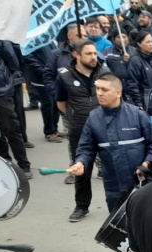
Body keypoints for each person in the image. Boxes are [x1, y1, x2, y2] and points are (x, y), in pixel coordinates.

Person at [67, 73, 152, 252]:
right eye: (97, 89)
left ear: (118, 92)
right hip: (113, 182)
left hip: (142, 181)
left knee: (148, 223)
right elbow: (85, 148)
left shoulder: (137, 115)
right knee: (122, 223)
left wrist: (146, 164)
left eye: (104, 90)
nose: (99, 93)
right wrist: (80, 162)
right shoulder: (94, 118)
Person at [56, 39, 109, 221]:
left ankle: (120, 206)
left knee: (112, 169)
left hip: (106, 129)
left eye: (95, 53)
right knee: (81, 170)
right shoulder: (64, 76)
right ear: (76, 55)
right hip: (80, 130)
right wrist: (75, 118)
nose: (94, 57)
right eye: (89, 54)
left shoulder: (105, 72)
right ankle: (81, 206)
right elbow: (61, 103)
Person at [0, 29, 32, 178]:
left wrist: (3, 80)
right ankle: (4, 165)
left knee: (12, 130)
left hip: (1, 93)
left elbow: (13, 62)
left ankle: (23, 165)